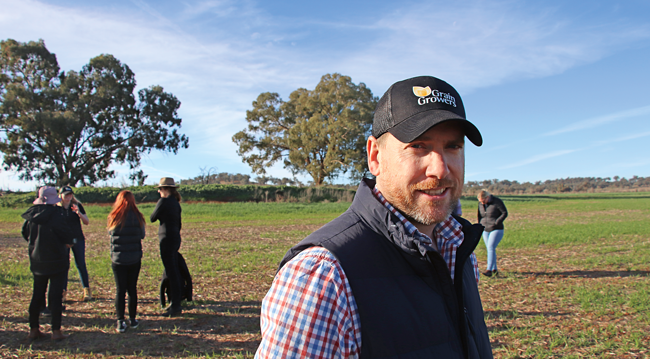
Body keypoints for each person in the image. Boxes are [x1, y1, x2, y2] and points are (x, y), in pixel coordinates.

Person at [256, 76, 493, 358]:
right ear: (375, 156)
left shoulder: (460, 252)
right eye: (418, 146)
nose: (440, 169)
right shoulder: (324, 277)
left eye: (453, 147)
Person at [21, 186, 75, 341]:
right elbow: (67, 236)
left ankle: (33, 329)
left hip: (37, 260)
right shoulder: (56, 215)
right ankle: (56, 331)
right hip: (57, 259)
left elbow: (25, 233)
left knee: (37, 294)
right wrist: (68, 243)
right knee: (55, 296)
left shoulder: (31, 215)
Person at [108, 190, 146, 333]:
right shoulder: (138, 217)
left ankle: (120, 321)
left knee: (120, 290)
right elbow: (142, 235)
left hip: (118, 259)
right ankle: (133, 319)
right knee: (132, 289)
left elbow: (110, 234)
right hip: (134, 257)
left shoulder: (113, 217)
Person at [150, 177, 184, 317]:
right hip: (175, 238)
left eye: (160, 189)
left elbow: (152, 217)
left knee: (172, 272)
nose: (159, 191)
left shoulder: (163, 201)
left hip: (166, 239)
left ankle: (175, 305)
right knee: (173, 270)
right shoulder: (176, 204)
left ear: (165, 189)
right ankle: (174, 300)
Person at [58, 186, 92, 301]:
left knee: (81, 264)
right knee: (64, 266)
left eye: (70, 194)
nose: (68, 196)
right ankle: (62, 291)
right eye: (66, 194)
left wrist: (79, 213)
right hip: (63, 240)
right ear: (61, 195)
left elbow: (86, 222)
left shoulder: (77, 206)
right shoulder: (57, 208)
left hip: (78, 239)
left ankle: (86, 290)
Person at [477, 189, 508, 277]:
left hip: (496, 228)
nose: (482, 203)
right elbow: (479, 215)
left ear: (487, 197)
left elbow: (504, 213)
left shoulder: (497, 202)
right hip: (485, 229)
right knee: (490, 249)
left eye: (483, 201)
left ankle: (489, 270)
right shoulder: (480, 204)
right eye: (480, 202)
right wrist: (480, 225)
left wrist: (497, 222)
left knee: (490, 247)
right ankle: (495, 269)